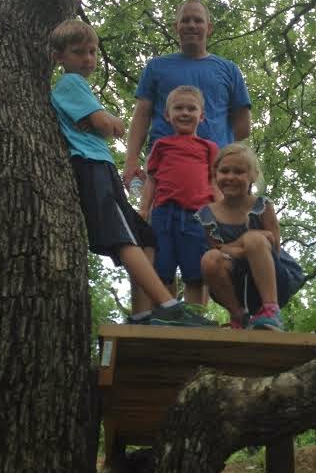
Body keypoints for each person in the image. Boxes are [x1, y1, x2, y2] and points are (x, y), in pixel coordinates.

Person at [49, 18, 215, 327]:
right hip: (90, 166)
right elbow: (106, 125)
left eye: (92, 51)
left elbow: (106, 124)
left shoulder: (78, 86)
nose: (88, 59)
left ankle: (142, 312)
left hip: (101, 166)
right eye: (78, 52)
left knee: (145, 236)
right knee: (123, 237)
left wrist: (108, 122)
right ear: (59, 57)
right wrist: (111, 121)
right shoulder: (71, 83)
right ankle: (168, 305)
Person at [123, 0, 251, 187]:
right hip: (164, 167)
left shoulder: (229, 70)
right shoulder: (156, 67)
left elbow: (243, 127)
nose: (191, 25)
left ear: (209, 28)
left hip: (216, 172)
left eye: (198, 20)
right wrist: (131, 161)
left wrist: (218, 151)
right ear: (176, 27)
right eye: (185, 20)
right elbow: (141, 116)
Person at [196, 144, 306, 331]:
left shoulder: (262, 207)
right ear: (215, 174)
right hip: (235, 283)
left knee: (255, 240)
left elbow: (274, 246)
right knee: (209, 259)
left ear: (253, 176)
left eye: (239, 172)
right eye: (224, 171)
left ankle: (271, 310)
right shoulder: (208, 214)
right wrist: (244, 243)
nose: (230, 177)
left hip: (273, 279)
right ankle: (238, 316)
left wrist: (244, 244)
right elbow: (217, 249)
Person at [139, 85, 220, 306]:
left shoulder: (209, 147)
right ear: (167, 115)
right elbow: (152, 180)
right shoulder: (161, 146)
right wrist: (144, 209)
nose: (185, 113)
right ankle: (166, 312)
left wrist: (220, 214)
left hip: (198, 216)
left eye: (191, 109)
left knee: (195, 272)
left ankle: (195, 316)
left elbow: (215, 181)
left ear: (201, 116)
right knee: (162, 268)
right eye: (178, 108)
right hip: (164, 214)